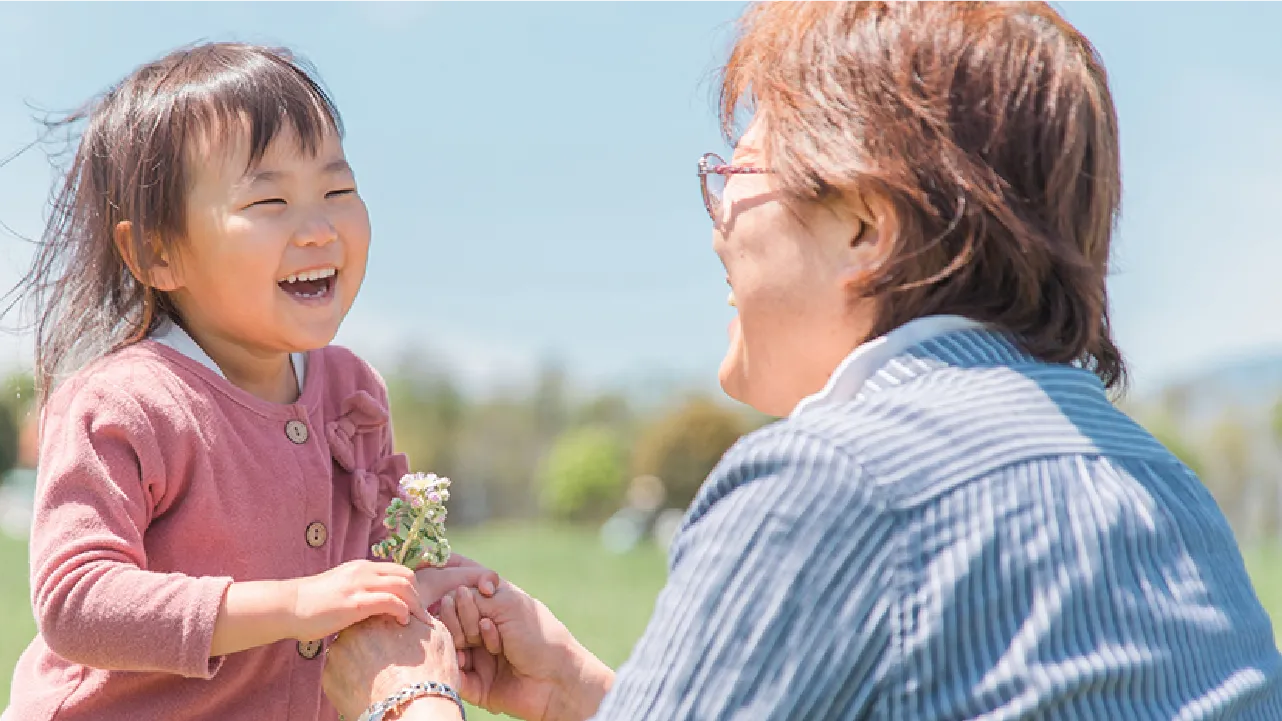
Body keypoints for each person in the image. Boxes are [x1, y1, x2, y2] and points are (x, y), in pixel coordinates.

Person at [320, 0, 1282, 719]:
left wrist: (407, 696)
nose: (716, 229)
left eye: (736, 174)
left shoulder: (840, 478)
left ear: (868, 224)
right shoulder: (1167, 493)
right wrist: (587, 691)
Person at [0, 43, 493, 721]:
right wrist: (292, 604)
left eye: (338, 190)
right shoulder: (126, 403)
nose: (318, 228)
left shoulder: (352, 390)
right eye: (270, 201)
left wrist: (445, 589)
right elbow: (75, 602)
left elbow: (374, 569)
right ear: (156, 251)